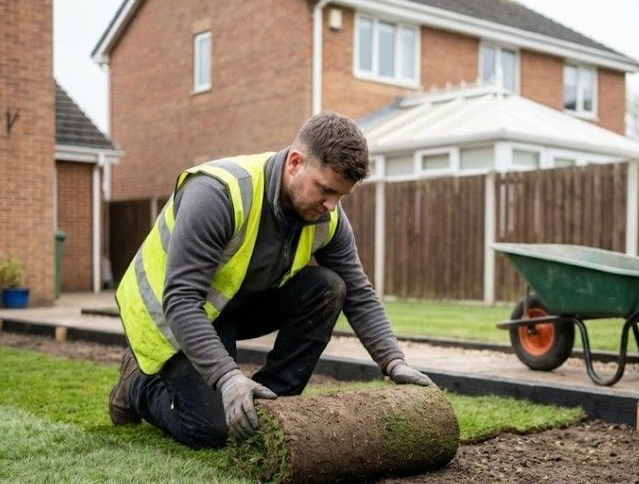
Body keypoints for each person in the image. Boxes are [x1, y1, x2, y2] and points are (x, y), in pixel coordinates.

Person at [108, 112, 433, 448]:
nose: (332, 205)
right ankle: (137, 386)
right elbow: (180, 300)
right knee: (211, 431)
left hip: (229, 306)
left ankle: (268, 405)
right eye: (325, 189)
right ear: (295, 162)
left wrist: (394, 362)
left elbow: (359, 294)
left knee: (330, 287)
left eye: (341, 196)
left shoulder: (327, 216)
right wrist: (228, 377)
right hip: (168, 313)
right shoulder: (218, 194)